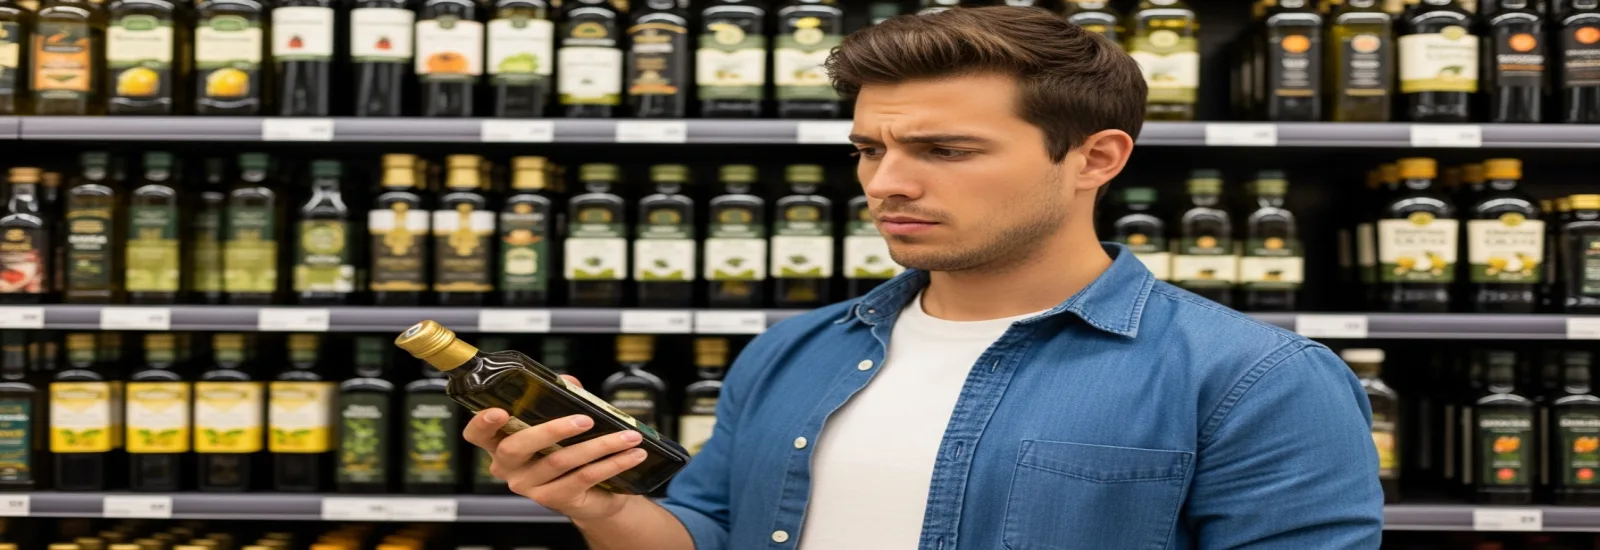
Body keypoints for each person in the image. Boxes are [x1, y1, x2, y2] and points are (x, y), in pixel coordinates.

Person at [462, 6, 1383, 549]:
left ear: (1096, 158)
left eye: (945, 150)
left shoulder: (1256, 382)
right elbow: (706, 532)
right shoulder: (794, 351)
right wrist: (597, 506)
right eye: (870, 148)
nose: (886, 183)